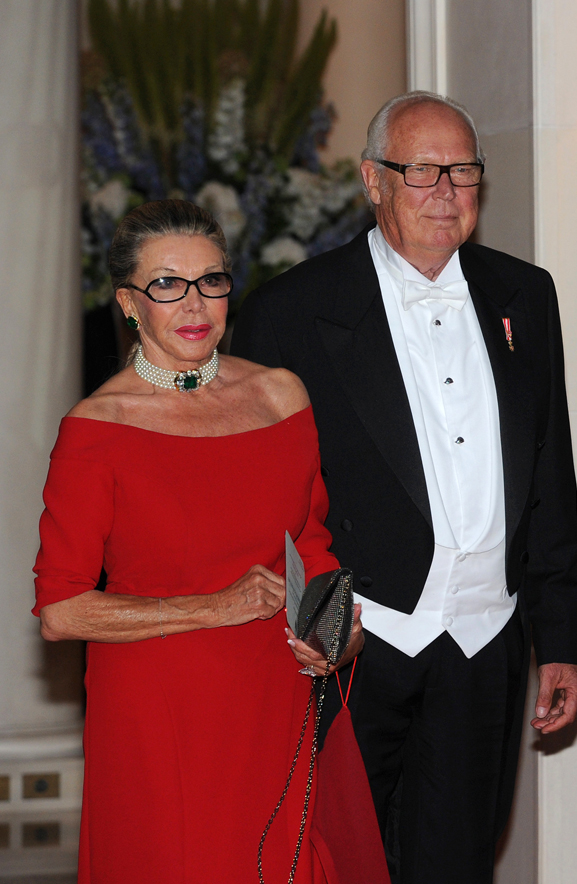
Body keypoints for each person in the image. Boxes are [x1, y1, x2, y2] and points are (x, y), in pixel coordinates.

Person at [232, 91, 577, 884]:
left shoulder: (526, 295)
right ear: (372, 180)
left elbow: (549, 477)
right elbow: (266, 507)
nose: (446, 190)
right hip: (361, 643)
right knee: (338, 860)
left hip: (486, 641)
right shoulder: (292, 311)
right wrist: (316, 628)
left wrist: (561, 639)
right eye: (420, 170)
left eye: (463, 170)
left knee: (460, 861)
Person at [33, 200, 366, 883]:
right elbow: (62, 611)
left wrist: (338, 632)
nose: (194, 304)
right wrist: (214, 607)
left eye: (211, 281)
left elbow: (312, 544)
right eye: (166, 284)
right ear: (130, 303)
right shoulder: (98, 428)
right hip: (159, 714)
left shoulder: (280, 396)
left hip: (274, 696)